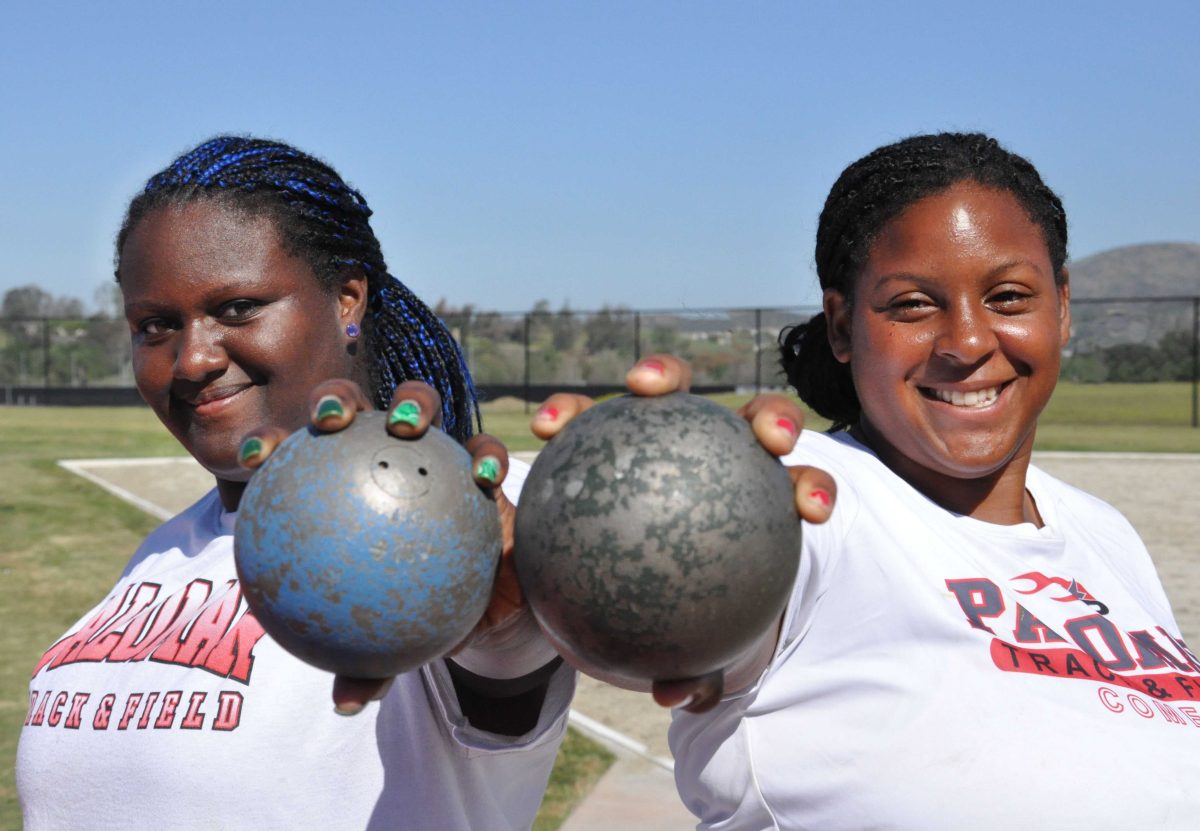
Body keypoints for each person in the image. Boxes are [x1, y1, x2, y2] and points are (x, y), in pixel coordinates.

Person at [541, 132, 1200, 829]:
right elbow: (557, 554)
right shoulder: (803, 504)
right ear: (842, 325)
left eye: (1008, 296)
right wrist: (615, 480)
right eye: (913, 304)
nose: (969, 341)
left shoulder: (1104, 534)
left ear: (1061, 307)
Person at [16, 136, 573, 830]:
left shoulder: (453, 509)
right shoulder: (161, 554)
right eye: (155, 325)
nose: (191, 358)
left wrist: (518, 631)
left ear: (346, 298)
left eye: (238, 307)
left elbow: (505, 671)